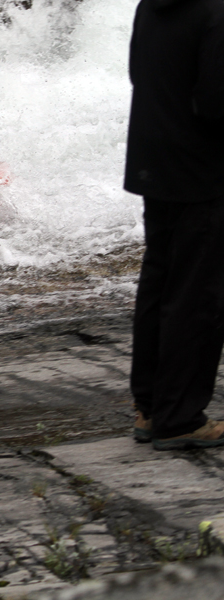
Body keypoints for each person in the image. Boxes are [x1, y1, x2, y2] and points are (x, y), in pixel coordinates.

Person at [124, 0, 224, 450]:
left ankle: (150, 407)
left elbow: (137, 75)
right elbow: (217, 103)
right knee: (197, 297)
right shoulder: (217, 11)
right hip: (203, 172)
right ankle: (180, 418)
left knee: (160, 285)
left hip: (156, 161)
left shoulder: (153, 4)